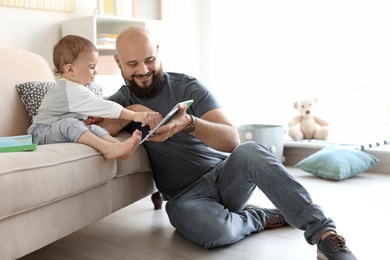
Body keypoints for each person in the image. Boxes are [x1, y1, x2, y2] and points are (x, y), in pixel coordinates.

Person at [97, 26, 357, 260]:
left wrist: (190, 123)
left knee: (250, 151)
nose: (143, 70)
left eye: (150, 59)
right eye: (132, 64)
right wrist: (133, 111)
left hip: (226, 178)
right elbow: (91, 127)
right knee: (214, 232)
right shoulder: (120, 102)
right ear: (118, 61)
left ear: (158, 52)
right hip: (185, 199)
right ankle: (260, 217)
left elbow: (232, 139)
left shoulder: (187, 87)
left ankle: (325, 235)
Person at [28, 35, 159, 160]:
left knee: (94, 128)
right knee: (69, 124)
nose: (96, 71)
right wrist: (134, 116)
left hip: (54, 130)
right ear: (70, 70)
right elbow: (105, 106)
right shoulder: (70, 90)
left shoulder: (74, 89)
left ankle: (119, 147)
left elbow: (70, 113)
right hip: (40, 134)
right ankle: (107, 148)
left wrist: (86, 119)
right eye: (91, 66)